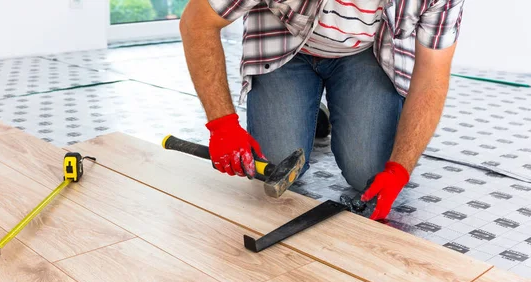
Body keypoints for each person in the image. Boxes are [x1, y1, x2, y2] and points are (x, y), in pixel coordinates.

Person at [180, 0, 464, 220]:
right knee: (277, 165)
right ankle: (314, 117)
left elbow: (432, 79)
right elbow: (197, 22)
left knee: (368, 174)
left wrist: (399, 168)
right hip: (284, 43)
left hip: (364, 50)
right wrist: (223, 125)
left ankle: (321, 113)